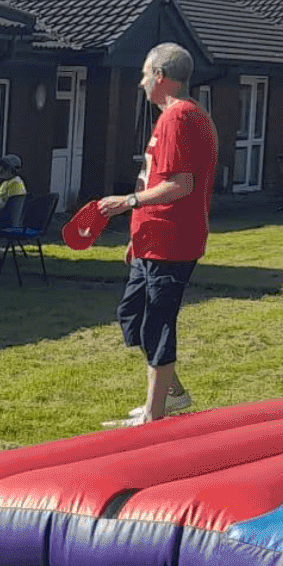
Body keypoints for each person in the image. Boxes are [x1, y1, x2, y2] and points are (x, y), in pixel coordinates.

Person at [97, 43, 217, 426]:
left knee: (158, 320)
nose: (141, 83)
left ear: (162, 77)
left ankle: (154, 413)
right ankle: (173, 391)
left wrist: (127, 201)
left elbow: (180, 185)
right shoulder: (175, 116)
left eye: (146, 74)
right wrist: (137, 235)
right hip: (153, 239)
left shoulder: (179, 118)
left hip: (173, 240)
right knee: (132, 315)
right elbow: (159, 179)